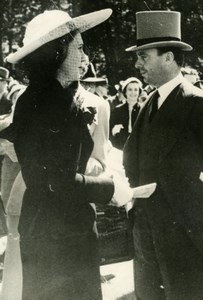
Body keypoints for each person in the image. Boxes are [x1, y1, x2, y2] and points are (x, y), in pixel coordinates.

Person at [1, 9, 135, 300]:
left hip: (70, 231)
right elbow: (53, 181)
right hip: (53, 238)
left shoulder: (63, 96)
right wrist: (112, 189)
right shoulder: (38, 103)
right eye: (78, 48)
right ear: (56, 53)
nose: (84, 56)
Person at [123, 10, 203, 300]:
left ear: (169, 57)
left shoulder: (202, 105)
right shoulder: (148, 104)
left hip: (188, 239)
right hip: (147, 238)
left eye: (145, 56)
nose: (137, 63)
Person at [110, 77, 142, 150]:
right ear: (125, 92)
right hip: (120, 147)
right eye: (130, 89)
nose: (133, 93)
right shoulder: (117, 110)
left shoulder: (143, 109)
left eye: (136, 90)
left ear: (139, 92)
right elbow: (110, 131)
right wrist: (114, 131)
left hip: (138, 148)